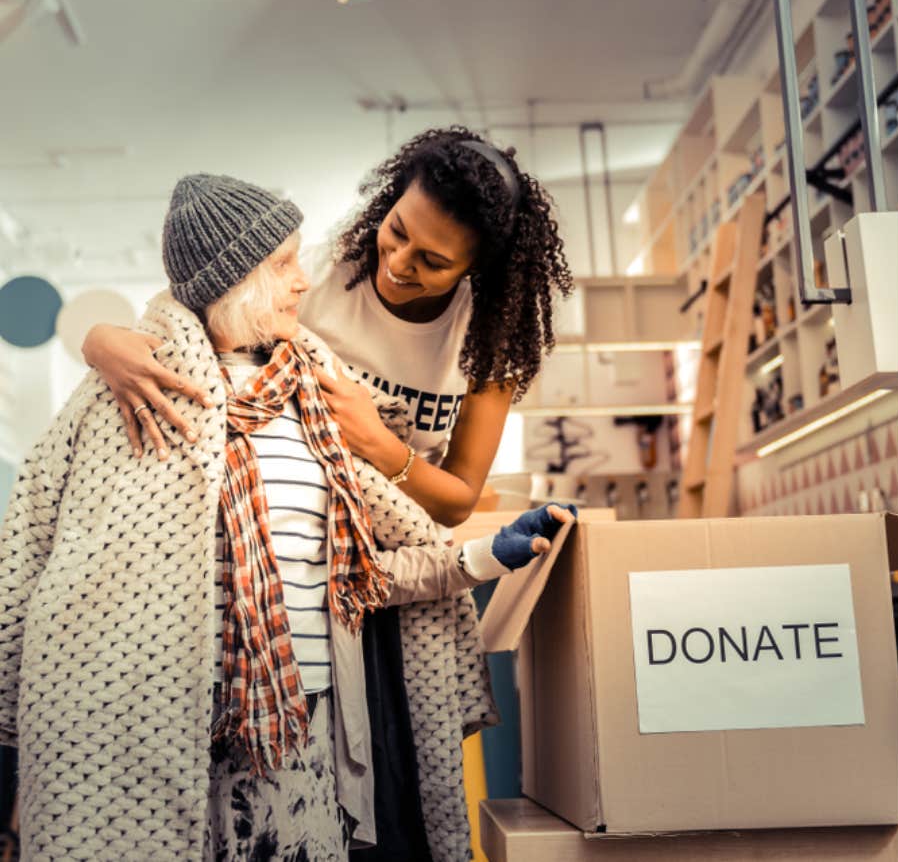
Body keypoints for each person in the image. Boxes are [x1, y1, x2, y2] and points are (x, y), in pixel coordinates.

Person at [0, 173, 575, 861]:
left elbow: (359, 573)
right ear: (237, 280)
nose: (302, 280)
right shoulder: (136, 397)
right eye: (282, 264)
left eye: (431, 258)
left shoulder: (320, 402)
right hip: (160, 725)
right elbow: (40, 538)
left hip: (306, 727)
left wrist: (483, 556)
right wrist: (100, 340)